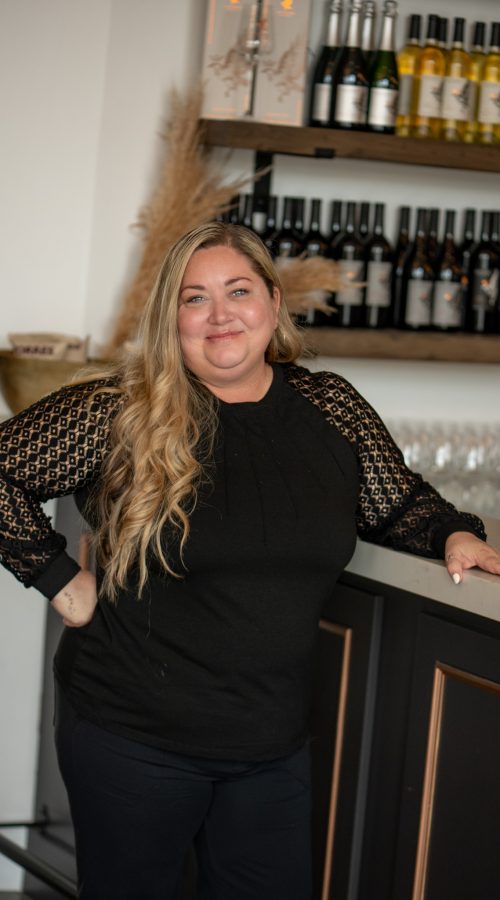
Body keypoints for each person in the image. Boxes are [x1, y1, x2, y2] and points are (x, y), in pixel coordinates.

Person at [1, 221, 499, 900]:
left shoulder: (330, 406)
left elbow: (398, 501)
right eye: (195, 298)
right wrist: (59, 580)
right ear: (171, 317)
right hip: (133, 736)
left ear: (272, 301)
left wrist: (453, 533)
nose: (220, 315)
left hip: (271, 745)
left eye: (238, 291)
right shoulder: (120, 410)